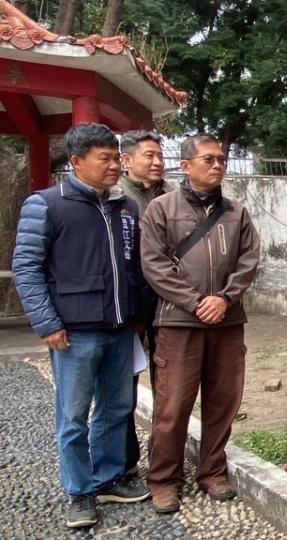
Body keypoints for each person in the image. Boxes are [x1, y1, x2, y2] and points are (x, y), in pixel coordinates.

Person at [12, 123, 151, 529]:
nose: (114, 166)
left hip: (120, 327)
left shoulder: (124, 208)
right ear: (76, 162)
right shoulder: (47, 205)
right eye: (104, 159)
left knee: (116, 407)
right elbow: (27, 268)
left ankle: (107, 478)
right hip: (73, 332)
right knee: (73, 416)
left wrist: (138, 315)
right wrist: (46, 323)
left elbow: (134, 267)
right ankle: (79, 491)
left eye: (116, 158)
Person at [139, 134, 261, 514]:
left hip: (227, 322)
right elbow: (154, 265)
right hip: (178, 323)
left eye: (221, 159)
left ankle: (212, 471)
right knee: (173, 405)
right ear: (186, 165)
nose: (217, 165)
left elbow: (249, 260)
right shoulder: (161, 209)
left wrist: (224, 299)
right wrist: (195, 302)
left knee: (223, 401)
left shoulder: (236, 212)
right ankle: (163, 480)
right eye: (208, 159)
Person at [117, 129, 168, 480]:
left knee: (169, 384)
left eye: (159, 156)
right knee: (124, 390)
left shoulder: (172, 197)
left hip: (168, 303)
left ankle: (165, 461)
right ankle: (124, 461)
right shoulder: (116, 200)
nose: (156, 162)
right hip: (130, 306)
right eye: (149, 155)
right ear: (127, 159)